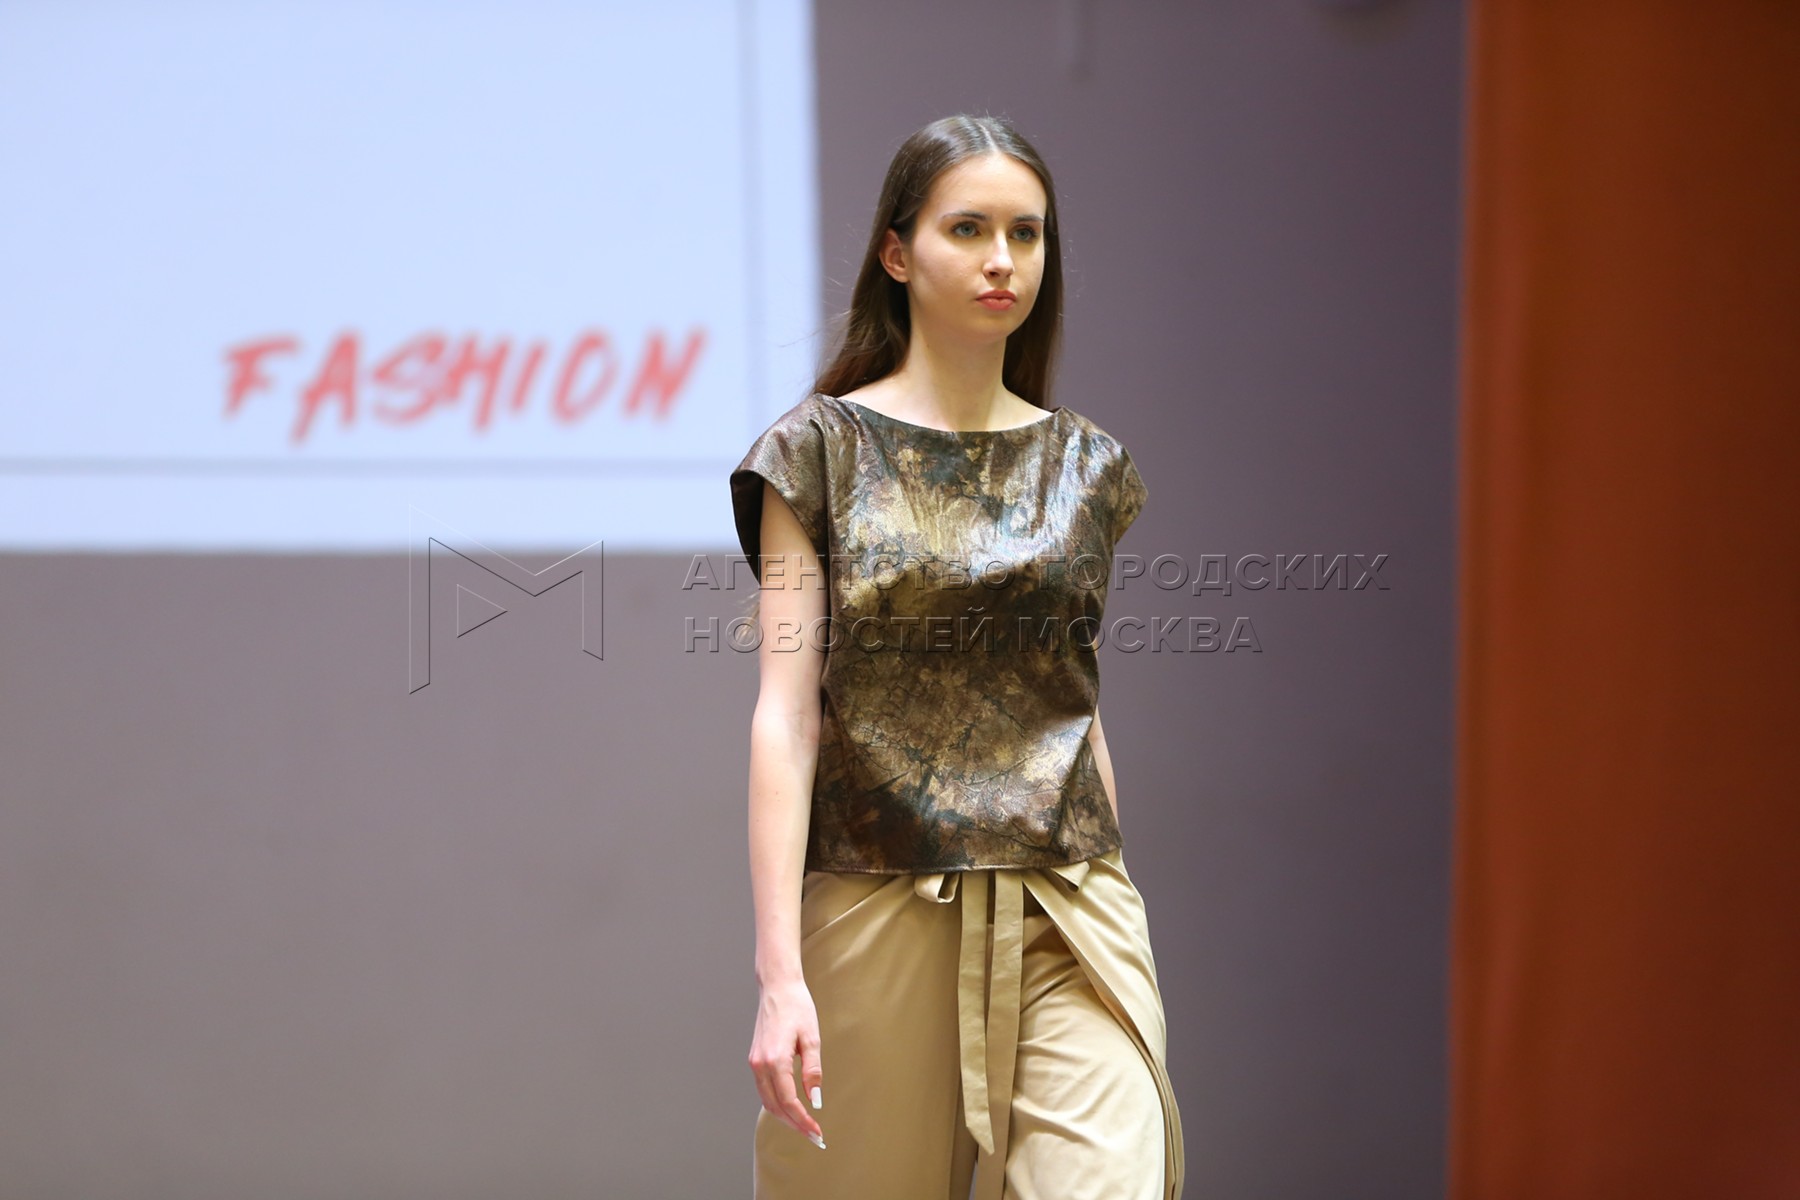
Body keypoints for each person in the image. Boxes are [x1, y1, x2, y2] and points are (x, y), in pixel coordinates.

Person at [731, 113, 1184, 1200]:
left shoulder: (1086, 465)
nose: (1002, 260)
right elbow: (787, 716)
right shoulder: (818, 452)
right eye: (969, 229)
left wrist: (1117, 883)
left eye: (1027, 234)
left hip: (1069, 905)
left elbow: (1074, 704)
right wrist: (780, 974)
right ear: (897, 254)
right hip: (882, 900)